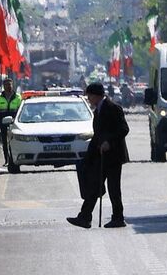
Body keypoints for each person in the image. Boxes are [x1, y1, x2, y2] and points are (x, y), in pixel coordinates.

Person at [67, 83, 130, 228]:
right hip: (101, 156)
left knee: (114, 189)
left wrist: (109, 142)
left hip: (113, 156)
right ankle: (85, 217)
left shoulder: (113, 108)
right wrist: (88, 156)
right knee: (94, 186)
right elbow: (98, 135)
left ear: (95, 95)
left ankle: (118, 218)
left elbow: (123, 129)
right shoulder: (98, 110)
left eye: (89, 96)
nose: (88, 99)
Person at [0, 80, 23, 168]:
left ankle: (16, 159)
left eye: (9, 84)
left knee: (14, 141)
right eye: (6, 85)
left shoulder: (18, 97)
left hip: (14, 124)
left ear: (12, 85)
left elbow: (21, 111)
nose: (8, 86)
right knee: (4, 142)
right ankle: (7, 160)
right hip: (3, 123)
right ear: (3, 86)